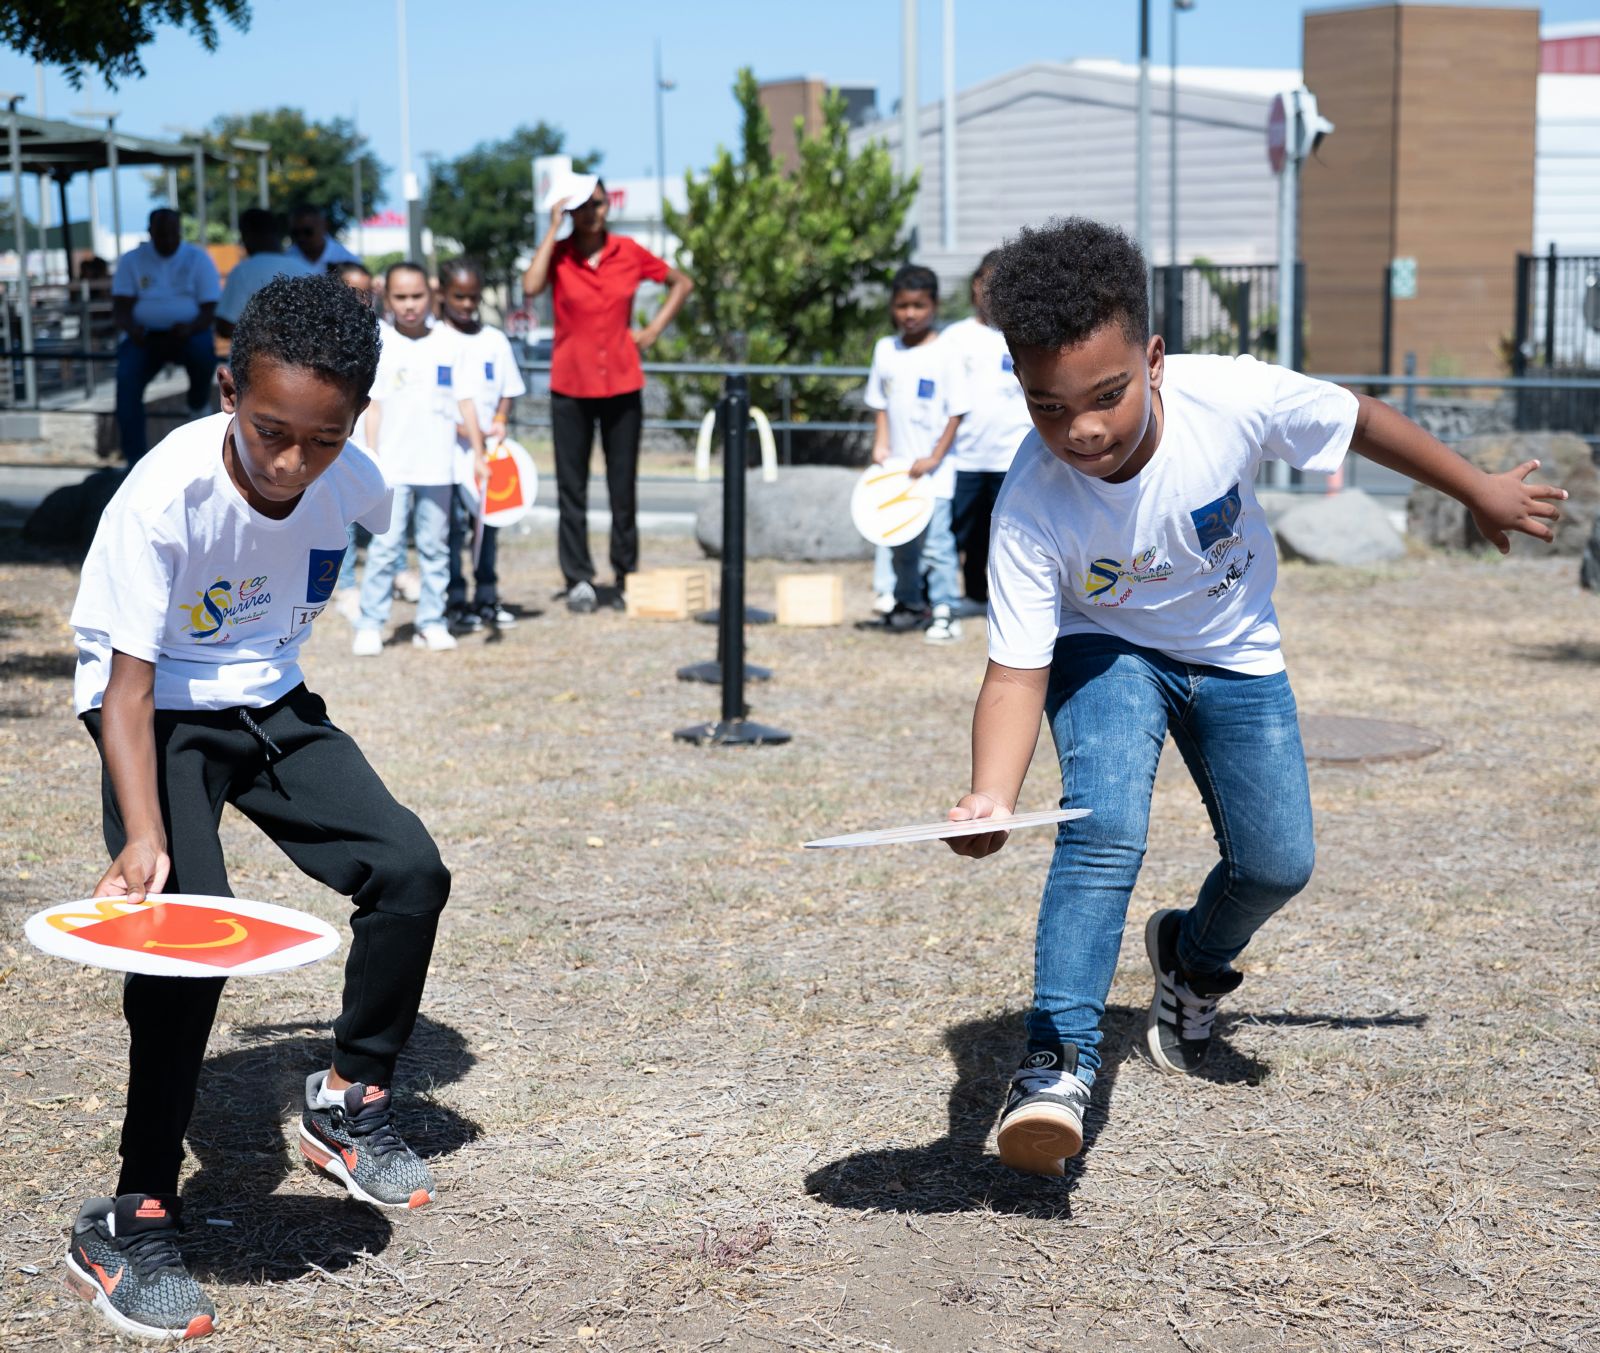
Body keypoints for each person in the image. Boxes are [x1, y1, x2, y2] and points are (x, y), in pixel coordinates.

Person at [943, 219, 1566, 1179]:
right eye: (1048, 407)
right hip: (1105, 650)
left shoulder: (1226, 397)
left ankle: (1189, 960)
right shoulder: (1031, 504)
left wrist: (1476, 485)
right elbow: (1016, 669)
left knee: (1278, 862)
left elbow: (1355, 417)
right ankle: (1054, 1062)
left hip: (1235, 651)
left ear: (1153, 359)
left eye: (1105, 395)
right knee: (1103, 827)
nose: (1083, 431)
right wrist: (990, 792)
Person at [63, 273, 451, 1342]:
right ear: (228, 388)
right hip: (160, 717)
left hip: (269, 701)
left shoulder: (354, 481)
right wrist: (144, 836)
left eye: (318, 441)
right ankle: (130, 1213)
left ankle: (347, 1099)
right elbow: (128, 691)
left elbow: (320, 564)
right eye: (269, 430)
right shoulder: (165, 496)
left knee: (410, 871)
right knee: (191, 941)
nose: (290, 464)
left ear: (353, 423)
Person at [520, 175, 693, 613]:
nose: (592, 212)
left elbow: (682, 283)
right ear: (570, 211)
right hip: (571, 385)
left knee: (623, 487)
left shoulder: (628, 252)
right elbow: (530, 287)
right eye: (583, 205)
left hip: (621, 382)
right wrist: (551, 227)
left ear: (606, 207)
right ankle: (578, 577)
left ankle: (625, 574)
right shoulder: (558, 254)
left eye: (598, 204)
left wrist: (653, 329)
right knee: (572, 489)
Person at [352, 261, 488, 655]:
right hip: (393, 468)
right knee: (385, 547)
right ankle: (371, 623)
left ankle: (431, 620)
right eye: (400, 297)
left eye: (417, 296)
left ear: (431, 295)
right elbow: (372, 405)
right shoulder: (380, 340)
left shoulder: (449, 343)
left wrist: (479, 454)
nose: (409, 305)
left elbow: (467, 402)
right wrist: (373, 457)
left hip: (438, 467)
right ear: (387, 298)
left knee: (436, 547)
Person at [865, 264, 969, 642]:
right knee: (899, 540)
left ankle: (945, 609)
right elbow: (879, 403)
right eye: (903, 306)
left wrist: (936, 457)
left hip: (934, 472)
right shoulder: (885, 350)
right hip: (897, 470)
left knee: (938, 544)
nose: (910, 314)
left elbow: (957, 412)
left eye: (919, 306)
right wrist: (882, 446)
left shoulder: (947, 352)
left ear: (934, 306)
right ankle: (910, 604)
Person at [437, 258, 527, 631]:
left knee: (488, 525)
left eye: (473, 297)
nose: (468, 305)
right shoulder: (435, 340)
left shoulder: (494, 340)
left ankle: (487, 595)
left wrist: (501, 419)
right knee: (455, 529)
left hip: (488, 455)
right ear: (443, 294)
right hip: (449, 456)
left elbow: (508, 389)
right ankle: (455, 599)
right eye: (459, 297)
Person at [941, 249, 1033, 606]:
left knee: (1008, 532)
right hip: (964, 456)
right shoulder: (954, 337)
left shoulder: (1025, 334)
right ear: (974, 286)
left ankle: (1006, 599)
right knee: (962, 533)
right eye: (984, 282)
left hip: (1011, 456)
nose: (989, 291)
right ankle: (965, 595)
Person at [112, 209, 221, 465]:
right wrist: (132, 328)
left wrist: (191, 327)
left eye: (173, 232)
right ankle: (134, 459)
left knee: (205, 356)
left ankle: (198, 404)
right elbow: (121, 307)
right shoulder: (132, 260)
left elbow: (209, 308)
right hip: (145, 337)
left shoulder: (198, 258)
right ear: (150, 233)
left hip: (188, 333)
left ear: (180, 232)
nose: (168, 239)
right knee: (126, 380)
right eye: (162, 233)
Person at [215, 208, 316, 340]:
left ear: (248, 234)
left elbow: (226, 327)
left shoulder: (243, 271)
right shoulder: (306, 269)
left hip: (254, 357)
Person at [287, 204, 361, 272]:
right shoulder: (287, 258)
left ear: (324, 226)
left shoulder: (346, 259)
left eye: (307, 231)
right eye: (295, 233)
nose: (301, 238)